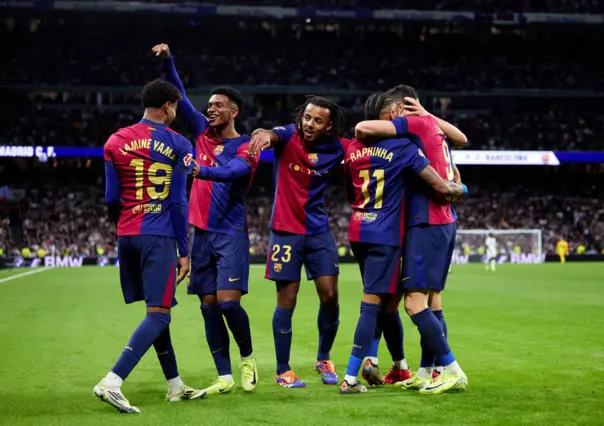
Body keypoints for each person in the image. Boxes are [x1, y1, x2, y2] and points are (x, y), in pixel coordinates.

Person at [341, 92, 467, 394]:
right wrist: (460, 186)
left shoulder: (366, 145)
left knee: (406, 301)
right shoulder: (417, 138)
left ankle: (445, 370)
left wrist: (454, 186)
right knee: (422, 300)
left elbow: (360, 132)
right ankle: (425, 370)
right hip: (432, 221)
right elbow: (456, 153)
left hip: (412, 224)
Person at [153, 43, 259, 396]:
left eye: (218, 106)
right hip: (201, 234)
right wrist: (169, 61)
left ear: (234, 112)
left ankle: (247, 358)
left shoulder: (246, 146)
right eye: (209, 105)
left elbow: (234, 171)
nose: (210, 109)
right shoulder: (200, 132)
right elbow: (179, 96)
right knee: (209, 307)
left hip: (230, 233)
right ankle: (224, 375)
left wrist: (202, 170)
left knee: (229, 302)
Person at [94, 78, 198, 414]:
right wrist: (184, 251)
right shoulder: (180, 144)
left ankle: (175, 385)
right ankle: (113, 380)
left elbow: (111, 197)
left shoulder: (115, 140)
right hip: (160, 235)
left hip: (128, 234)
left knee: (157, 310)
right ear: (168, 105)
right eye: (176, 107)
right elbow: (179, 203)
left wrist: (123, 225)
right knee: (160, 314)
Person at [248, 96, 348, 388]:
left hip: (318, 231)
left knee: (330, 296)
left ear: (329, 125)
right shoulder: (288, 136)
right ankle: (283, 370)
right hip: (285, 231)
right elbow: (268, 134)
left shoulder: (337, 147)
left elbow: (364, 144)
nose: (309, 124)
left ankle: (323, 358)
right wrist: (261, 137)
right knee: (286, 302)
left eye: (318, 120)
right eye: (307, 117)